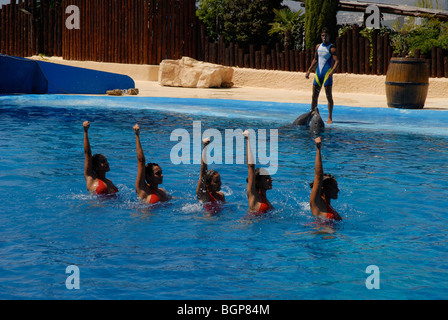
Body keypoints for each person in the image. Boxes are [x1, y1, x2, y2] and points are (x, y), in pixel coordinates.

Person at [305, 27, 339, 124]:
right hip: (318, 74)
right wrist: (309, 70)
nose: (324, 37)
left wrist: (332, 72)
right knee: (314, 95)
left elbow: (337, 62)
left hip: (327, 74)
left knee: (328, 96)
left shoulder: (332, 48)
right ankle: (312, 113)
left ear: (329, 36)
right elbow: (315, 60)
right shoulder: (318, 47)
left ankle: (330, 117)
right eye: (323, 35)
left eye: (326, 36)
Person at [133, 124, 169, 204]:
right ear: (149, 176)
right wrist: (137, 136)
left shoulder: (162, 191)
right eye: (157, 173)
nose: (162, 175)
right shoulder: (143, 190)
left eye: (161, 173)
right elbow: (141, 161)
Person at [309, 137, 342, 221]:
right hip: (322, 233)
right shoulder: (317, 203)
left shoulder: (329, 206)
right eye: (334, 187)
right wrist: (318, 149)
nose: (338, 190)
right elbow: (318, 176)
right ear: (323, 188)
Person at [83, 121, 118, 195]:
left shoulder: (109, 181)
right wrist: (85, 131)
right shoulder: (91, 179)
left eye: (106, 161)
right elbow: (87, 153)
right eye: (103, 162)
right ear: (96, 166)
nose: (107, 163)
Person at [243, 130, 273, 215]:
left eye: (269, 177)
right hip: (249, 225)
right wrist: (248, 139)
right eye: (266, 178)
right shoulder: (254, 196)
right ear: (257, 181)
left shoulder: (264, 198)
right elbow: (251, 166)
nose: (271, 179)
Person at [196, 137, 225, 213]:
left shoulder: (221, 196)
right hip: (208, 222)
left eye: (219, 181)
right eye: (216, 181)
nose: (220, 184)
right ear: (207, 184)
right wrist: (205, 147)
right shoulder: (204, 196)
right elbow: (203, 173)